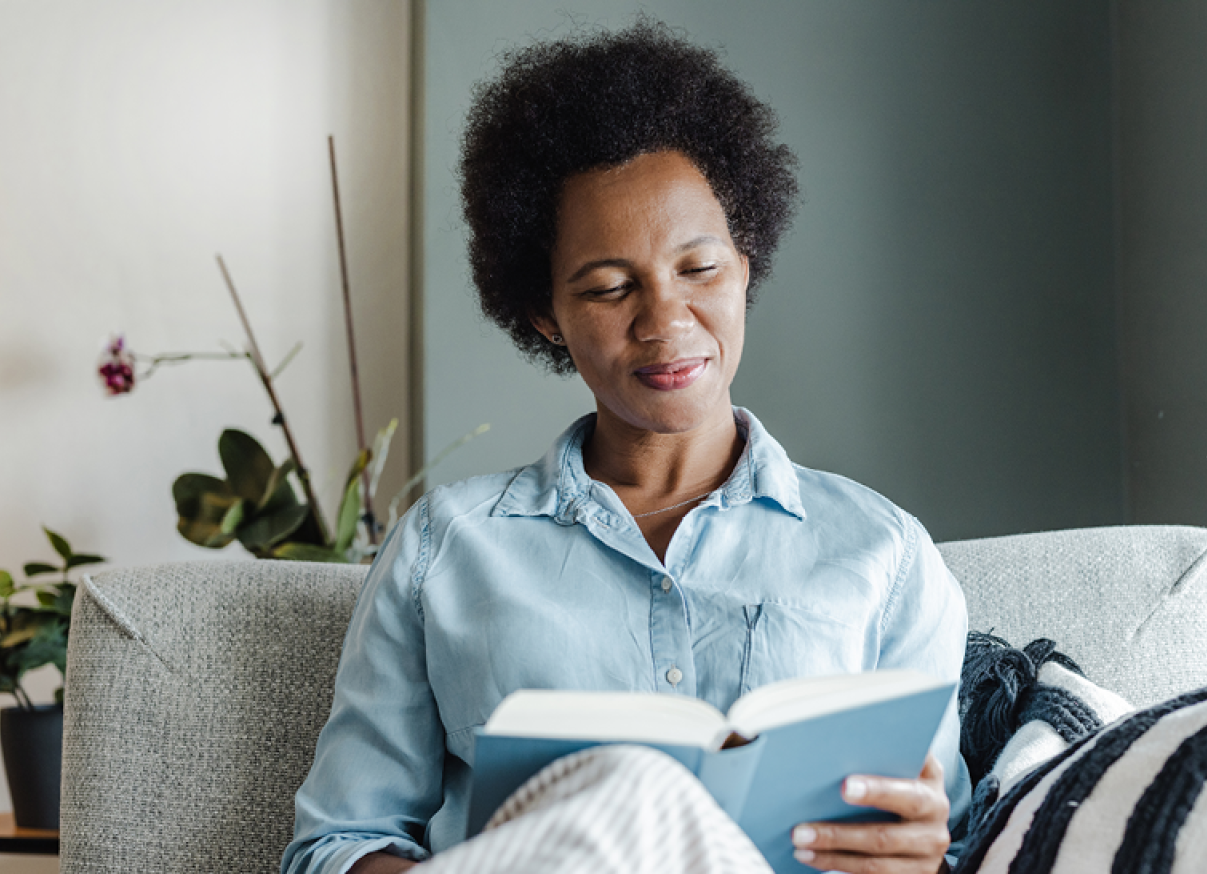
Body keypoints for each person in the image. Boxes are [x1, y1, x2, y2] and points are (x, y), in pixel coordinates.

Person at [282, 19, 970, 874]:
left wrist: (922, 848)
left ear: (747, 263)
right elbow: (336, 847)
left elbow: (946, 835)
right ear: (544, 314)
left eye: (700, 269)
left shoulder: (886, 557)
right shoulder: (442, 553)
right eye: (610, 288)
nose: (666, 322)